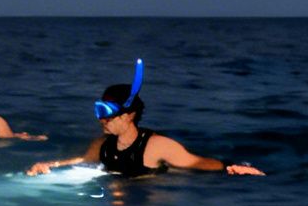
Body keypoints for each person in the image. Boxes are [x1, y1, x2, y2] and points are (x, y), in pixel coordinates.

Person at [27, 59, 264, 177]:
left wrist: (232, 168)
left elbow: (197, 163)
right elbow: (82, 160)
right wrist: (50, 165)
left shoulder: (157, 145)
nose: (102, 120)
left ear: (129, 115)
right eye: (99, 113)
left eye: (108, 114)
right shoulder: (101, 145)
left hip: (147, 200)